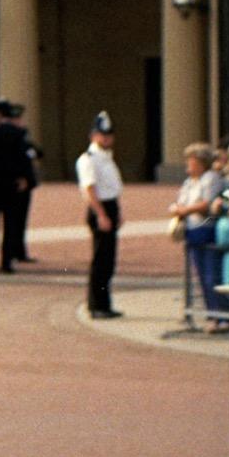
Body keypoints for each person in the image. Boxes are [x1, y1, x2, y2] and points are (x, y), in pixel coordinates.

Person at [170, 142, 229, 327]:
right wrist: (180, 210)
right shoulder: (189, 182)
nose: (189, 165)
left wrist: (185, 210)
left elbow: (205, 204)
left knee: (213, 275)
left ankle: (223, 315)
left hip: (207, 230)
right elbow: (181, 203)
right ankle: (212, 314)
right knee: (202, 277)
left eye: (192, 161)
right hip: (193, 232)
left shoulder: (210, 178)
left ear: (202, 162)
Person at [0, 99, 39, 271]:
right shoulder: (18, 134)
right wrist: (24, 178)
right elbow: (24, 160)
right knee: (10, 222)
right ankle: (6, 261)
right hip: (12, 183)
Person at [76, 112, 123, 318]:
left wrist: (117, 212)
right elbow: (90, 189)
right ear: (93, 136)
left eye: (108, 134)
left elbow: (112, 188)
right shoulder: (89, 159)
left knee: (108, 261)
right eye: (101, 134)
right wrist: (102, 215)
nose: (106, 138)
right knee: (100, 261)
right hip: (100, 208)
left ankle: (105, 304)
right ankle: (96, 306)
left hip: (110, 206)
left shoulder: (106, 157)